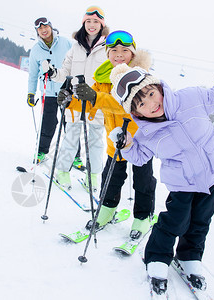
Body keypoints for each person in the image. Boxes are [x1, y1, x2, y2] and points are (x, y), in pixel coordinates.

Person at [108, 62, 214, 295]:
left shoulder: (191, 98)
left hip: (213, 172)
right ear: (135, 112)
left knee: (201, 220)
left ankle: (189, 256)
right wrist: (127, 144)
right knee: (175, 222)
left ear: (158, 86)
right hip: (182, 182)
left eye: (151, 93)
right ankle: (157, 258)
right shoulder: (145, 132)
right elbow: (139, 158)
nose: (151, 103)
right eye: (141, 103)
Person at [59, 31, 157, 241]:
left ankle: (142, 217)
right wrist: (71, 101)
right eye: (114, 51)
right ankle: (107, 209)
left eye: (124, 51)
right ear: (107, 54)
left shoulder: (140, 76)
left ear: (132, 53)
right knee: (111, 178)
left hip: (140, 141)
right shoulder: (102, 77)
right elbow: (90, 104)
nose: (119, 55)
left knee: (142, 181)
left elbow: (127, 105)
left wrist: (96, 97)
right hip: (115, 140)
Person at [42, 6, 109, 190]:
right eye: (88, 21)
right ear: (83, 23)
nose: (92, 25)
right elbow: (65, 73)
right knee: (71, 137)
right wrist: (53, 73)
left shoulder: (108, 48)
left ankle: (93, 176)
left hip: (96, 101)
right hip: (76, 100)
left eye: (96, 21)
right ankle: (62, 172)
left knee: (95, 141)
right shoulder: (76, 47)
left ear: (102, 24)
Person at [27, 17, 72, 163]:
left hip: (66, 91)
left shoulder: (65, 43)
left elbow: (75, 63)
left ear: (51, 27)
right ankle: (41, 152)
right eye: (40, 29)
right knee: (48, 123)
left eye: (45, 27)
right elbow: (33, 74)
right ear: (37, 32)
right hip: (49, 92)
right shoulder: (36, 50)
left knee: (70, 124)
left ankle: (76, 157)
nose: (43, 30)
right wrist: (31, 93)